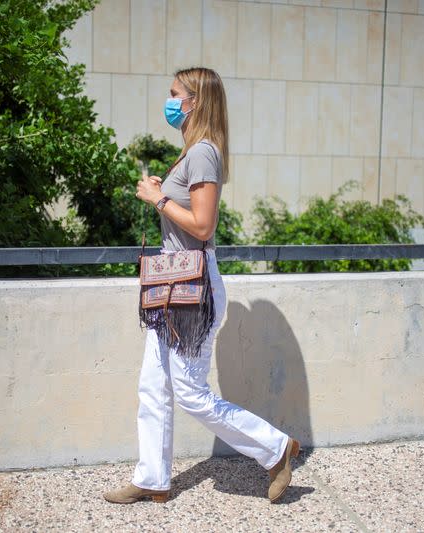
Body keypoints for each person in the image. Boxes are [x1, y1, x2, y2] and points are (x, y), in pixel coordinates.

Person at [103, 67, 300, 505]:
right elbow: (185, 212)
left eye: (175, 94)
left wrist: (158, 199)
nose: (169, 102)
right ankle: (152, 477)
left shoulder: (204, 153)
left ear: (195, 101)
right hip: (171, 283)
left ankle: (275, 447)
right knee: (153, 384)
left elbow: (204, 225)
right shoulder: (190, 153)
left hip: (193, 286)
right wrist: (164, 192)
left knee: (190, 392)